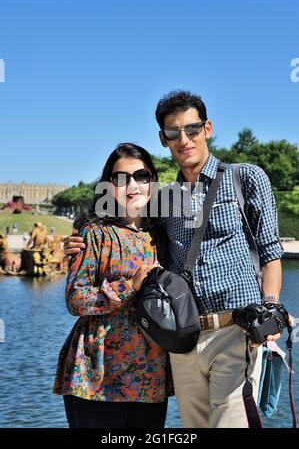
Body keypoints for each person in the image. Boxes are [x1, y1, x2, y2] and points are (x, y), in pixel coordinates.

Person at [64, 90, 291, 428]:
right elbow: (121, 237)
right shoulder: (165, 202)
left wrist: (271, 308)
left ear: (208, 128)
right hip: (180, 342)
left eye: (192, 129)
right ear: (163, 139)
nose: (184, 139)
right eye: (173, 132)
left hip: (235, 330)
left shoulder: (245, 178)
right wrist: (76, 236)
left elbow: (271, 251)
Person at [53, 143, 172, 429]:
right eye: (121, 178)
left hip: (149, 379)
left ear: (151, 180)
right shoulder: (94, 234)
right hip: (96, 377)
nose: (132, 185)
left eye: (140, 176)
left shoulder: (164, 233)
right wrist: (129, 285)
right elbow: (75, 299)